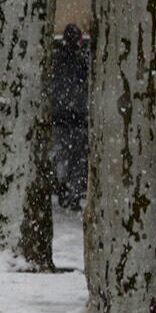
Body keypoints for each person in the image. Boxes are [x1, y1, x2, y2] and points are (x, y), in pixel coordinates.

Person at [51, 24, 90, 210]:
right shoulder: (83, 61)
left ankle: (64, 185)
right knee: (77, 158)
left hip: (60, 117)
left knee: (63, 155)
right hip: (78, 117)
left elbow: (54, 87)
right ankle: (72, 192)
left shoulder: (56, 60)